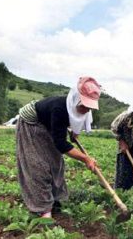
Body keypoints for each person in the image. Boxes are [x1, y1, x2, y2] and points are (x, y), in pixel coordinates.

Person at [16, 77, 101, 218]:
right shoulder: (60, 109)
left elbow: (79, 121)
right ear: (75, 99)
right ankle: (42, 209)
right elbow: (61, 144)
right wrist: (85, 158)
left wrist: (76, 133)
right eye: (84, 106)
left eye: (89, 107)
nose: (86, 109)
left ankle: (56, 200)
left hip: (48, 123)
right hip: (31, 124)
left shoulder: (85, 109)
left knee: (56, 163)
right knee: (37, 165)